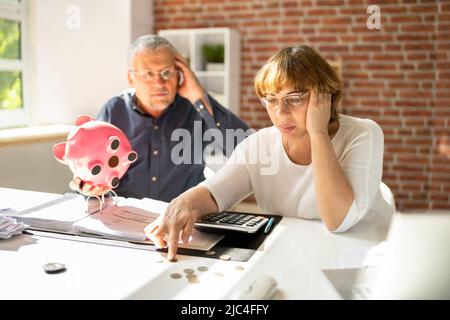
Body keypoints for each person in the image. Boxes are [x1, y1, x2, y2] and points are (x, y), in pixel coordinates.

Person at [144, 45, 393, 261]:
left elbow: (338, 221)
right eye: (271, 99)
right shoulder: (260, 143)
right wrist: (182, 203)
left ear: (325, 97)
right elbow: (216, 191)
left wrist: (318, 132)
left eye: (294, 98)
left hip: (362, 261)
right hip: (295, 255)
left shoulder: (363, 133)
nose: (280, 112)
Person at [71, 35, 250, 202]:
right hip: (124, 216)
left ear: (179, 74)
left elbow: (248, 149)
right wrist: (89, 188)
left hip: (183, 219)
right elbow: (93, 172)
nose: (159, 83)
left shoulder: (196, 109)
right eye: (148, 74)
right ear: (130, 78)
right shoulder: (114, 110)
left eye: (166, 72)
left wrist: (199, 96)